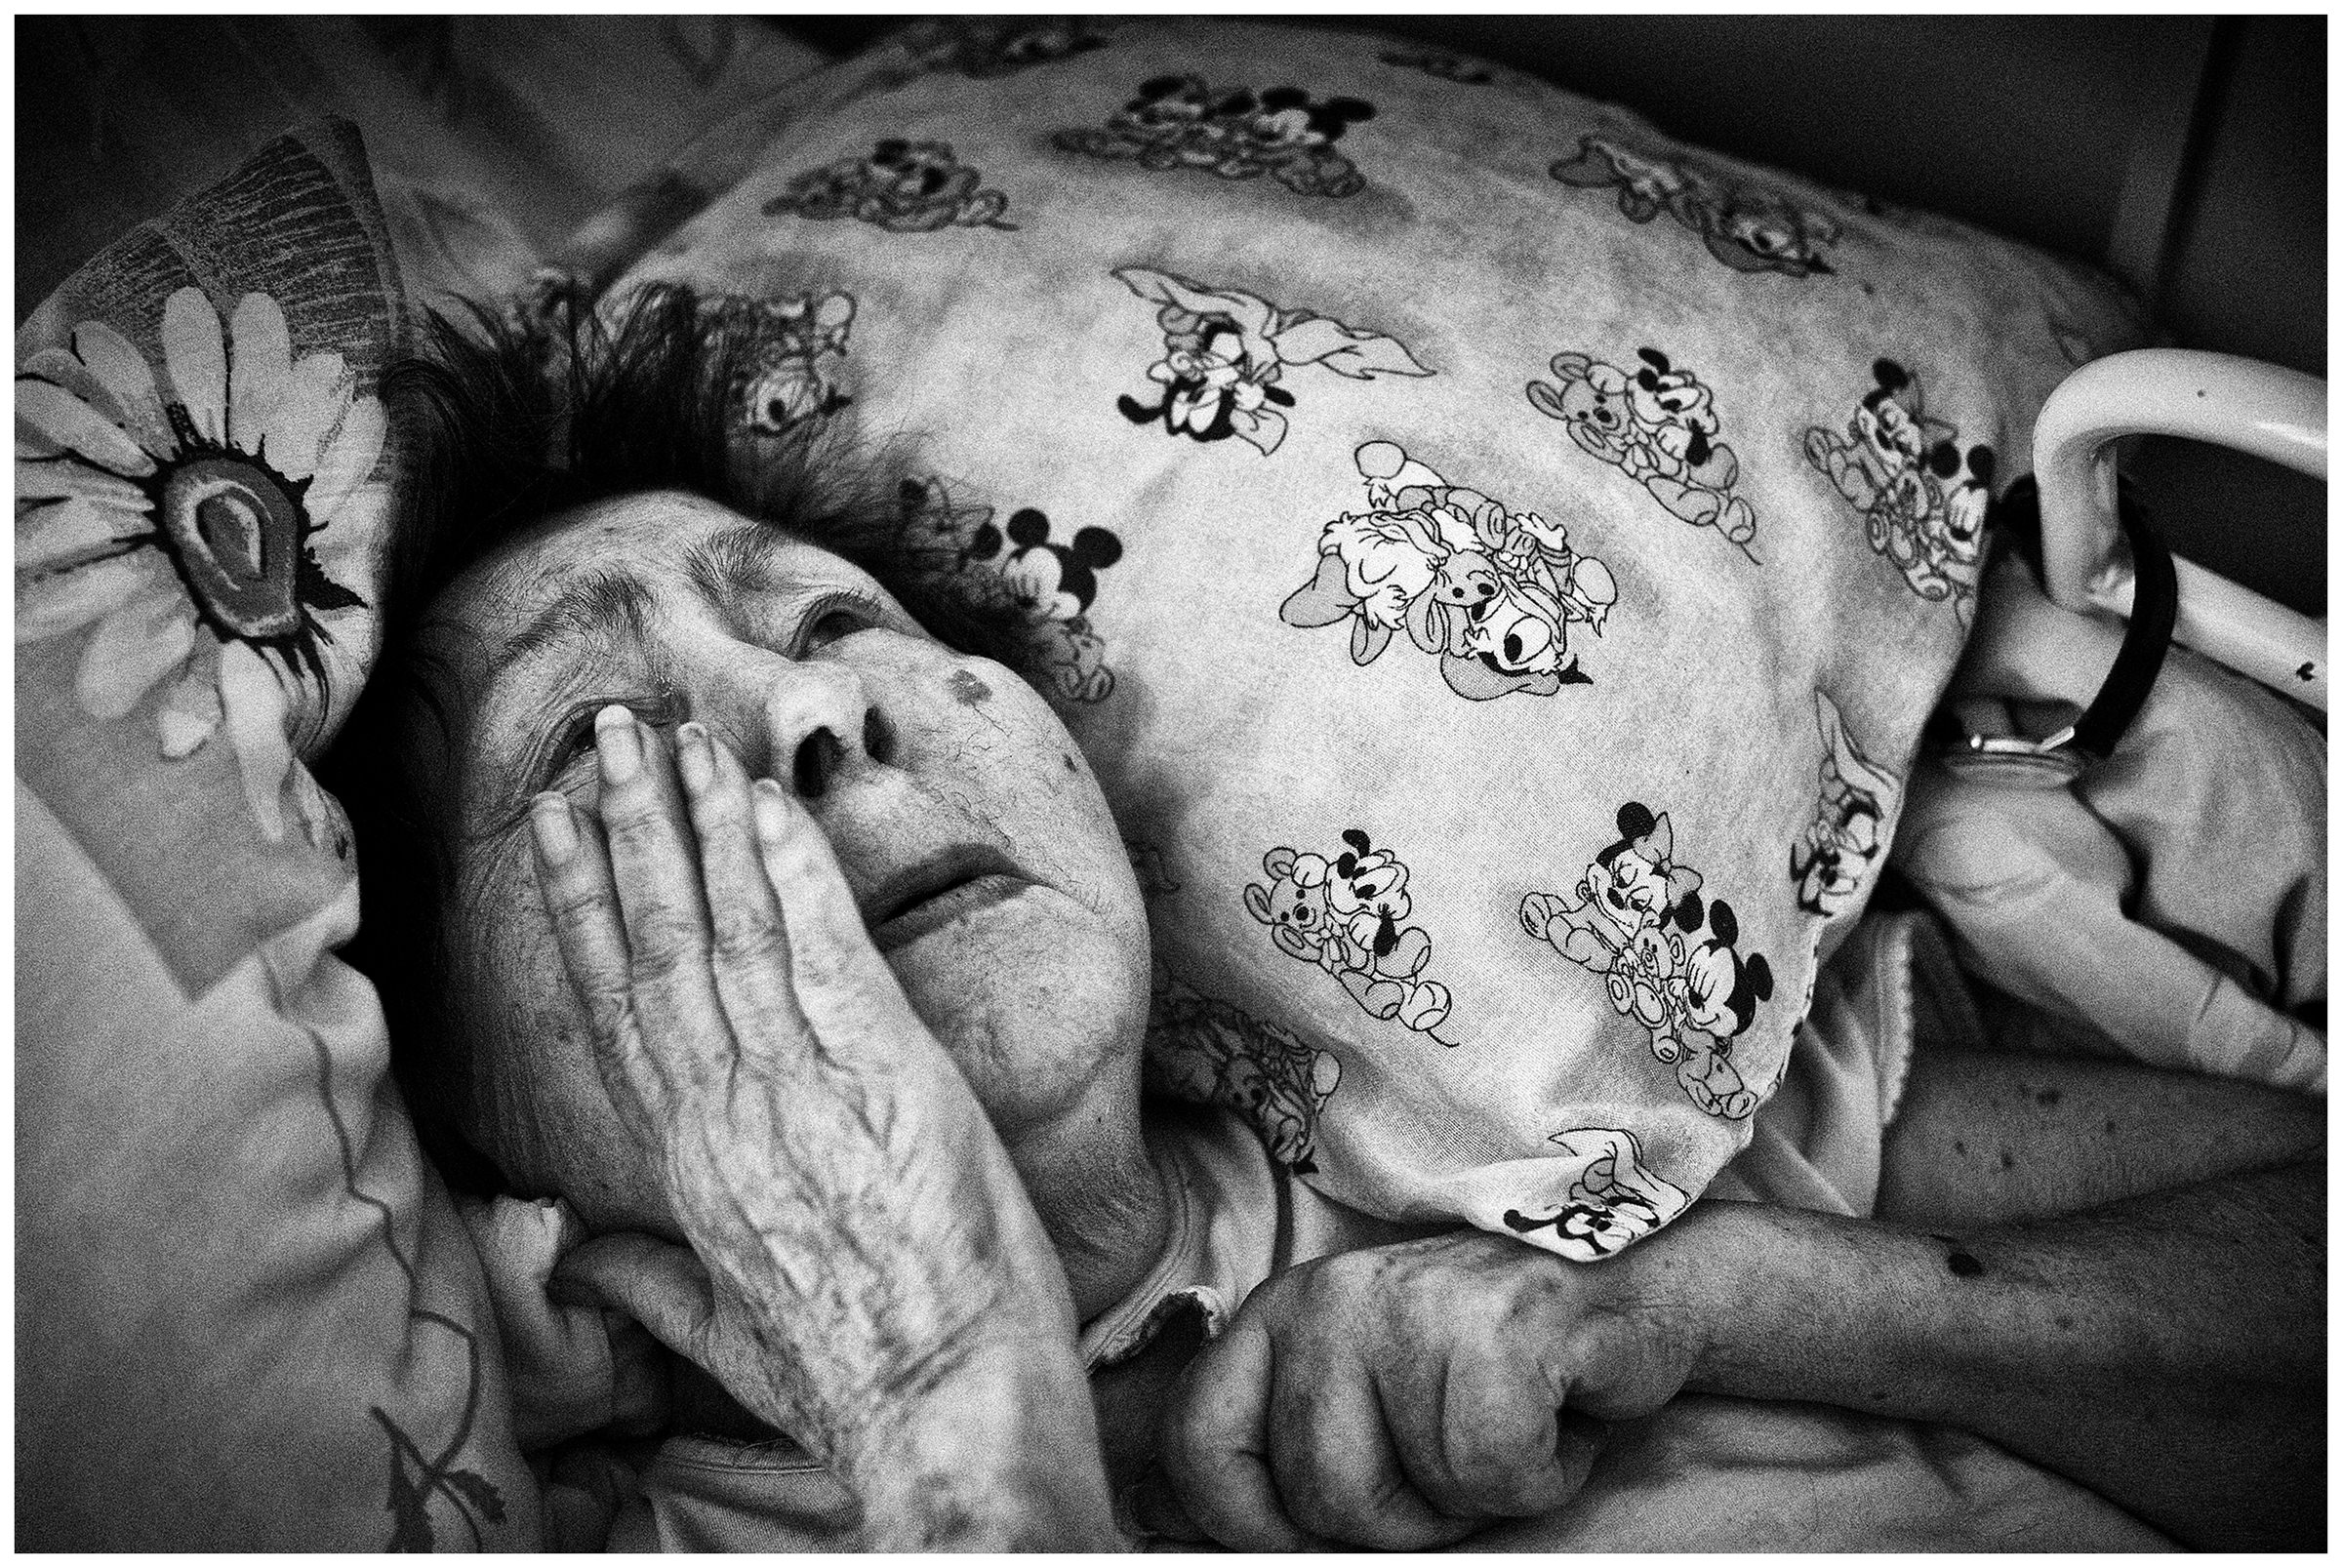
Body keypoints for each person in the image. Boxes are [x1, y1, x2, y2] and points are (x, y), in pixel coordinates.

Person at [325, 283, 2323, 1551]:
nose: (822, 705)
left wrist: (1700, 1297)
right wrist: (933, 1373)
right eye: (605, 748)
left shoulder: (1541, 1121)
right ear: (494, 1171)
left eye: (840, 621)